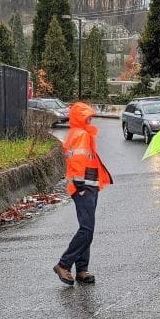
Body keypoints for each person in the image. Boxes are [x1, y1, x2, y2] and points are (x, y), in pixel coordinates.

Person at [53, 101, 113, 286]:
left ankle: (82, 270)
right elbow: (78, 160)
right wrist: (80, 185)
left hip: (87, 186)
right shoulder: (81, 135)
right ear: (81, 117)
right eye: (87, 115)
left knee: (87, 229)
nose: (90, 118)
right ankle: (64, 264)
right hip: (84, 187)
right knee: (86, 230)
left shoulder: (78, 133)